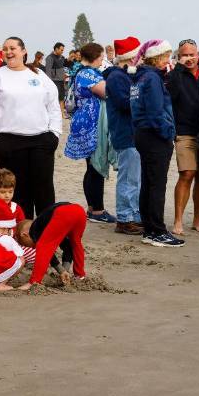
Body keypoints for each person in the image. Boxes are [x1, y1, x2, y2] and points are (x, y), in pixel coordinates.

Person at [0, 37, 61, 218]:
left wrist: (54, 133)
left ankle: (44, 229)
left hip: (41, 140)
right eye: (5, 49)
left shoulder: (38, 75)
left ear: (23, 51)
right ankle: (21, 231)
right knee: (18, 190)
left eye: (13, 48)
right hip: (9, 142)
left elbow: (53, 105)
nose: (8, 52)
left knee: (44, 189)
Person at [129, 39, 184, 247]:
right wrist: (168, 132)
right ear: (157, 57)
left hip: (142, 133)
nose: (168, 60)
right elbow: (155, 112)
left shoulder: (139, 77)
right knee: (157, 185)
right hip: (154, 135)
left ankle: (149, 228)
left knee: (148, 182)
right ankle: (157, 231)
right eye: (166, 56)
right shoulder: (151, 78)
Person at [167, 39, 199, 235]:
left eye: (192, 54)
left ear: (198, 54)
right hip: (184, 131)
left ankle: (197, 220)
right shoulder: (174, 76)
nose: (189, 58)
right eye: (184, 55)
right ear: (179, 57)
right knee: (187, 174)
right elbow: (169, 98)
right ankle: (178, 220)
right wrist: (178, 70)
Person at [64, 42, 116, 224]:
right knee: (96, 166)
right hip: (93, 123)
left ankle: (93, 208)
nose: (102, 61)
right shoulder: (89, 73)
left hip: (84, 121)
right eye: (101, 57)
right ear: (95, 57)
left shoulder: (79, 71)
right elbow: (107, 92)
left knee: (91, 167)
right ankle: (97, 211)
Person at [104, 36, 144, 235]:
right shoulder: (117, 77)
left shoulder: (126, 75)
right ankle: (125, 217)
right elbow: (124, 103)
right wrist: (145, 98)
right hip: (126, 133)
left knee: (135, 178)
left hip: (133, 133)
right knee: (128, 178)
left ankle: (134, 215)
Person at [16, 202, 88, 290]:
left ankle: (34, 282)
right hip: (79, 211)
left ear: (24, 235)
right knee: (75, 243)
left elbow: (47, 252)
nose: (32, 247)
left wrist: (61, 270)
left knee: (43, 247)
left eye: (27, 245)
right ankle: (80, 275)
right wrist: (64, 271)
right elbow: (68, 248)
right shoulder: (49, 225)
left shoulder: (35, 229)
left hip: (62, 212)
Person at [44, 43, 67, 111]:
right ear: (56, 49)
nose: (62, 51)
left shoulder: (62, 57)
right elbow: (48, 71)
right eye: (61, 50)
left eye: (63, 50)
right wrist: (49, 84)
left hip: (61, 81)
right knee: (54, 99)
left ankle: (62, 114)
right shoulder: (50, 58)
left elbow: (64, 66)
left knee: (61, 98)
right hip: (54, 82)